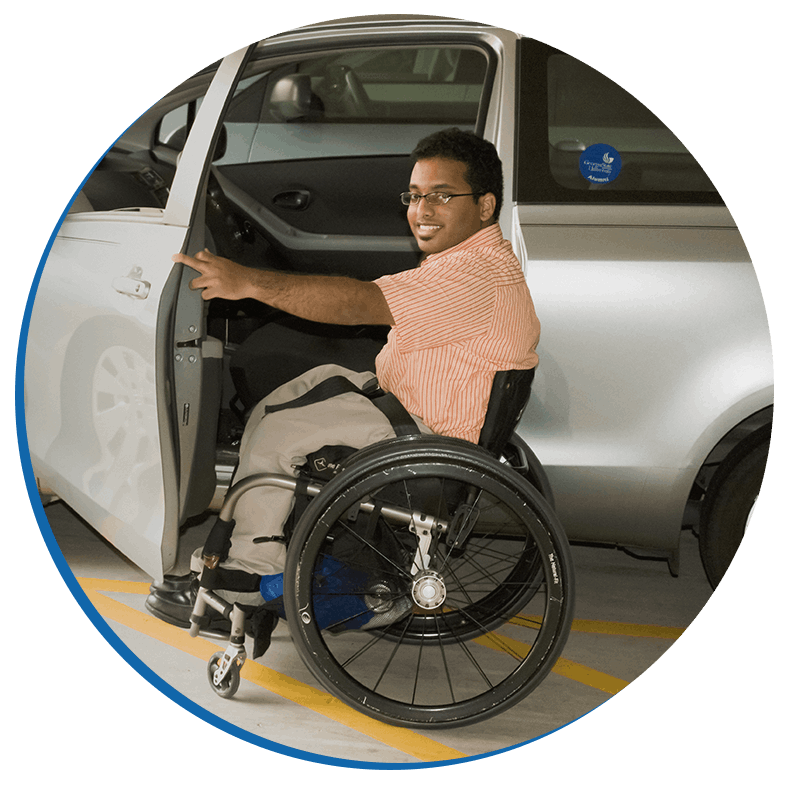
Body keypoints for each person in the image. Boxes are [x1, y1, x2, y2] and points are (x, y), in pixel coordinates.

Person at [146, 128, 540, 635]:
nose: (423, 209)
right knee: (288, 394)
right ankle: (254, 543)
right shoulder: (480, 262)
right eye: (415, 195)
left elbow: (359, 302)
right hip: (413, 409)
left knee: (276, 430)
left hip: (421, 437)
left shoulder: (470, 276)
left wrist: (248, 282)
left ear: (485, 206)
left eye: (442, 195)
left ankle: (247, 575)